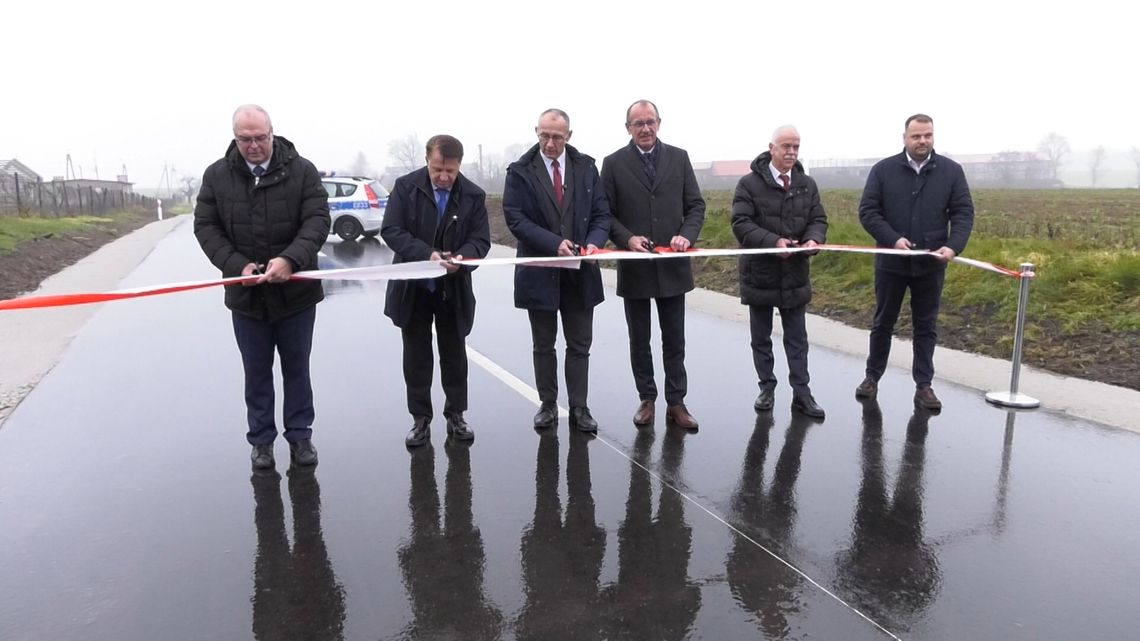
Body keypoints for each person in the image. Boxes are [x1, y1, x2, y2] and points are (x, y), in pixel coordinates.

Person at [194, 104, 330, 469]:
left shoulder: (302, 171)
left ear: (272, 133)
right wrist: (237, 265)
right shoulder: (217, 176)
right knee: (256, 370)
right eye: (245, 139)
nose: (253, 146)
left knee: (297, 367)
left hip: (296, 296)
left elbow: (317, 221)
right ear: (235, 138)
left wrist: (290, 259)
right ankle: (262, 441)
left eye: (260, 138)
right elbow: (206, 228)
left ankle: (300, 435)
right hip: (246, 297)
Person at [856, 114, 975, 411]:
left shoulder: (951, 172)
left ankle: (924, 386)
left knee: (926, 326)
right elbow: (868, 211)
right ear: (905, 138)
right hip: (891, 263)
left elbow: (963, 213)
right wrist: (892, 239)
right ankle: (872, 377)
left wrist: (952, 246)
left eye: (927, 136)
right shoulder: (883, 171)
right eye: (916, 136)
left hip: (931, 266)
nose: (922, 141)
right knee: (883, 322)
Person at [503, 108, 611, 433]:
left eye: (557, 137)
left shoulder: (587, 167)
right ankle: (548, 404)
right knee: (544, 344)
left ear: (569, 136)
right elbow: (515, 218)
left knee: (580, 345)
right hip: (540, 272)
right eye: (544, 136)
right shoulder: (520, 171)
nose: (550, 144)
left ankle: (579, 407)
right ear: (536, 131)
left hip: (580, 273)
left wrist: (593, 243)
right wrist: (555, 244)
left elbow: (601, 213)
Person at [601, 100, 705, 430]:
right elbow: (606, 213)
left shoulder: (679, 157)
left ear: (659, 123)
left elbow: (696, 206)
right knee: (640, 338)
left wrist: (685, 236)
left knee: (674, 339)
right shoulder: (614, 163)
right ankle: (647, 398)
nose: (645, 129)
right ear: (628, 128)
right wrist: (627, 238)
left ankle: (677, 403)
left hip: (673, 267)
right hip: (635, 267)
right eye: (638, 123)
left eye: (650, 122)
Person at [381, 135, 491, 448]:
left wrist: (462, 258)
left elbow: (481, 241)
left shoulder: (473, 195)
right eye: (437, 169)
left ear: (459, 167)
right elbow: (392, 230)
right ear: (428, 160)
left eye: (450, 171)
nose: (443, 177)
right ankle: (420, 419)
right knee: (416, 354)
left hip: (453, 288)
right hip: (414, 287)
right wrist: (425, 254)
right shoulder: (405, 187)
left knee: (454, 354)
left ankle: (456, 414)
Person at [731, 125, 828, 419]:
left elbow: (818, 218)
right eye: (786, 146)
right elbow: (741, 223)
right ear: (771, 148)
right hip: (760, 273)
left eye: (796, 147)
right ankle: (767, 388)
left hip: (795, 274)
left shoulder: (806, 184)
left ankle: (802, 393)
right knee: (761, 337)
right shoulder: (748, 184)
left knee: (797, 338)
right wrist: (773, 243)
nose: (791, 152)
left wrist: (814, 239)